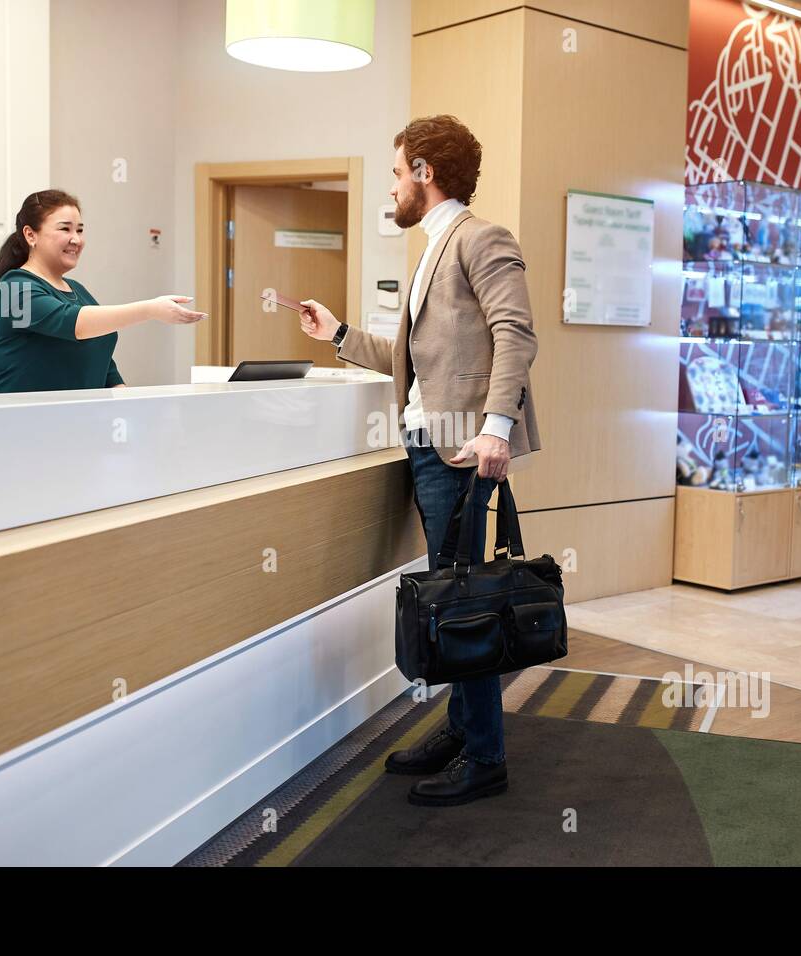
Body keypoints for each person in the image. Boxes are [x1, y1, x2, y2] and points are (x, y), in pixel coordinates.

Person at [299, 114, 541, 807]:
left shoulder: (480, 238)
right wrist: (340, 334)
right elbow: (415, 364)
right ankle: (464, 731)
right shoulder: (434, 248)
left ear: (427, 174)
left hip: (463, 447)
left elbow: (515, 335)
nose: (393, 187)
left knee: (461, 605)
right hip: (432, 446)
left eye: (399, 173)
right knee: (449, 592)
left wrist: (496, 428)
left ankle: (485, 756)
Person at [0, 189, 205, 393]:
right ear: (31, 235)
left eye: (79, 230)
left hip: (78, 423)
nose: (76, 239)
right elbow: (73, 323)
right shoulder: (14, 287)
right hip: (18, 424)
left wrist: (128, 403)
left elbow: (104, 364)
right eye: (65, 229)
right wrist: (150, 309)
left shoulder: (79, 291)